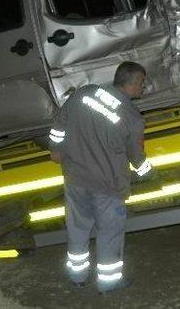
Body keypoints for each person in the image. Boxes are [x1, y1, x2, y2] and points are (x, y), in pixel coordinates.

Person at [47, 61, 155, 293]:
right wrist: (151, 174)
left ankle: (77, 277)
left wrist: (55, 149)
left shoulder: (85, 94)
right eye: (142, 82)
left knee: (77, 229)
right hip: (107, 186)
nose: (143, 87)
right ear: (134, 82)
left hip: (75, 178)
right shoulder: (132, 118)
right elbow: (136, 156)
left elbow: (59, 122)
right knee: (109, 233)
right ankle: (109, 283)